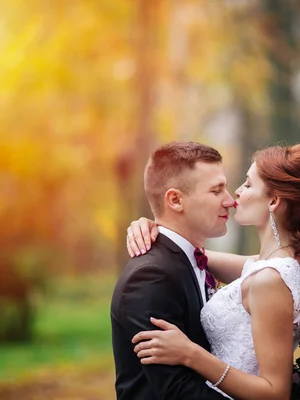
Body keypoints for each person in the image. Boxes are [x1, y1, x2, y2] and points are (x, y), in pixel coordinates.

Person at [127, 143, 300, 400]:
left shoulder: (270, 279)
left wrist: (191, 354)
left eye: (247, 184)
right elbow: (193, 256)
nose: (233, 195)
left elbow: (275, 393)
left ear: (273, 200)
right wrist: (157, 226)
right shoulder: (276, 265)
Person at [110, 141, 235, 399]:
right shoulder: (151, 277)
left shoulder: (189, 260)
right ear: (175, 200)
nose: (230, 201)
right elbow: (175, 390)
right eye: (216, 191)